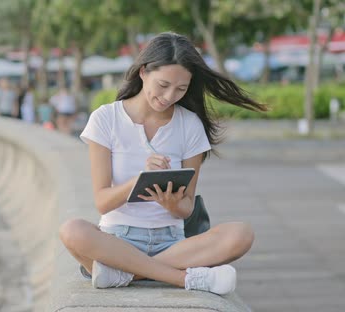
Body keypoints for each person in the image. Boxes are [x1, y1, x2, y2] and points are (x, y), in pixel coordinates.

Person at [59, 32, 267, 294]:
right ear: (144, 72)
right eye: (163, 84)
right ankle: (184, 279)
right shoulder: (106, 119)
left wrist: (172, 204)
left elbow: (187, 208)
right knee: (72, 230)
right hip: (117, 238)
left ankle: (124, 273)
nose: (169, 96)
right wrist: (138, 181)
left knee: (241, 234)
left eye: (181, 89)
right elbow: (102, 201)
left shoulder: (189, 125)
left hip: (172, 243)